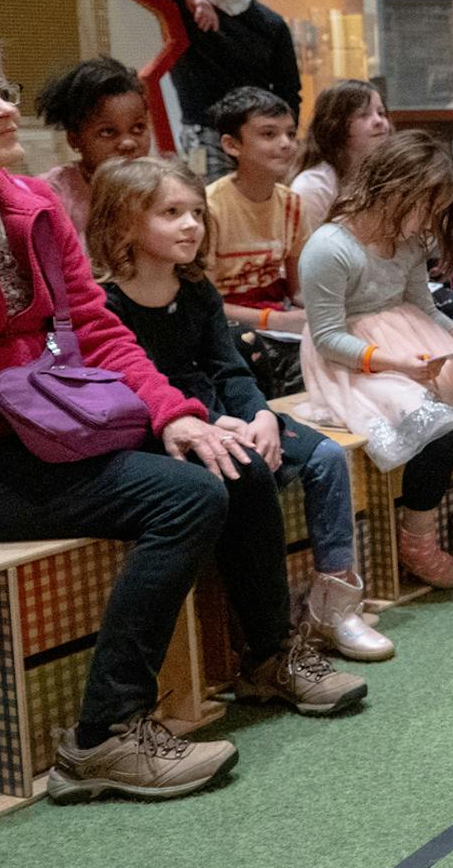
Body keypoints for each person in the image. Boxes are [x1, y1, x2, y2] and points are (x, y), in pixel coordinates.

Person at [0, 30, 293, 802]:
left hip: (35, 429)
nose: (0, 109)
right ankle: (103, 736)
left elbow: (94, 326)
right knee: (185, 496)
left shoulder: (27, 203)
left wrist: (176, 415)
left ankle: (268, 658)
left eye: (2, 90)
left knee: (214, 463)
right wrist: (2, 375)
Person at [90, 157, 388, 667]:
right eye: (170, 212)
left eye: (196, 213)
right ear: (123, 222)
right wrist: (211, 424)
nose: (191, 225)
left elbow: (227, 369)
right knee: (241, 475)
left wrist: (263, 416)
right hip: (165, 429)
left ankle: (334, 601)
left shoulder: (200, 292)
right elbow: (127, 394)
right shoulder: (104, 304)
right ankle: (256, 635)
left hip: (226, 410)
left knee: (326, 458)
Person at [297, 131, 453, 588]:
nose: (430, 220)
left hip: (414, 339)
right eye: (426, 205)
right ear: (391, 187)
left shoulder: (409, 241)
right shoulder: (330, 247)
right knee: (440, 427)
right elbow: (329, 336)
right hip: (353, 363)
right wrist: (394, 363)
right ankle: (416, 541)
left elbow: (426, 309)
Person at [124, 0, 302, 179]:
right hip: (204, 135)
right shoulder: (182, 14)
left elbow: (289, 90)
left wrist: (285, 136)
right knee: (209, 210)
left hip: (260, 136)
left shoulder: (271, 23)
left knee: (262, 207)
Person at [202, 87, 306, 335]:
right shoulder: (208, 207)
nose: (286, 144)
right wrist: (275, 320)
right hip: (225, 328)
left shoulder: (292, 204)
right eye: (269, 134)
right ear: (232, 144)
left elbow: (297, 291)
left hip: (278, 319)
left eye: (291, 134)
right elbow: (203, 303)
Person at [32, 56, 153, 236]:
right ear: (74, 139)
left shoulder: (165, 187)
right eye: (108, 132)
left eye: (138, 128)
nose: (128, 143)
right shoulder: (52, 195)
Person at [291, 79, 392, 233]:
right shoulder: (313, 187)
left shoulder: (390, 176)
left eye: (381, 113)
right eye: (363, 115)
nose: (379, 121)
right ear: (335, 125)